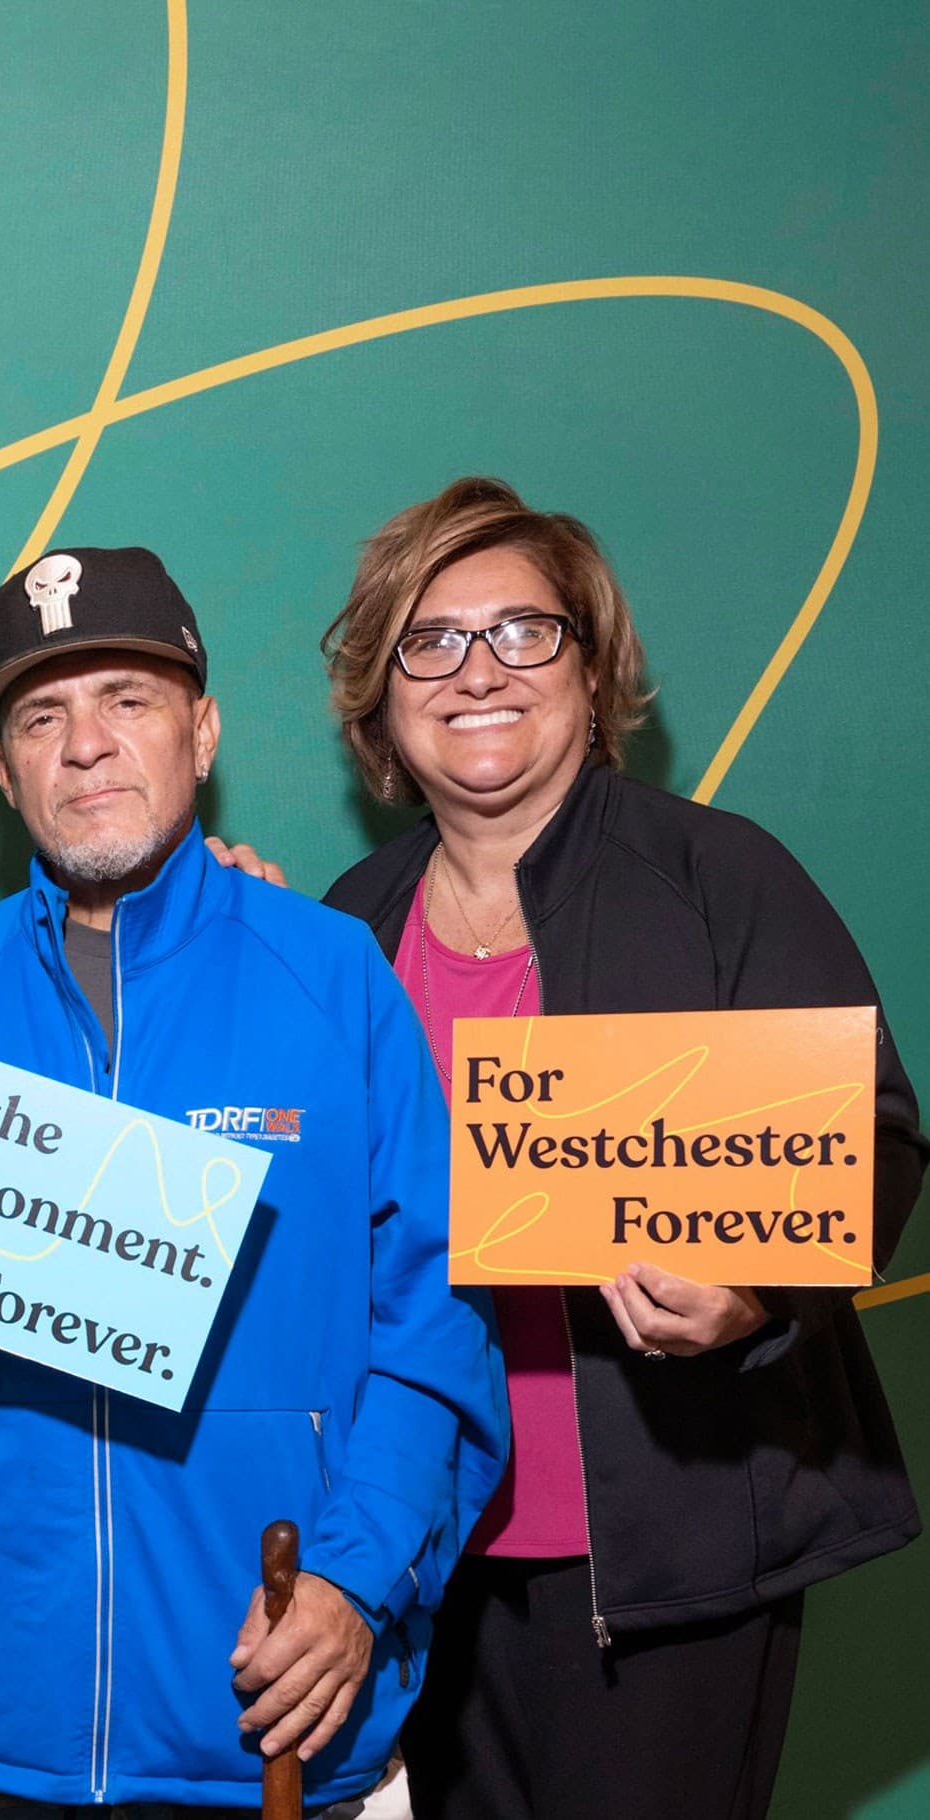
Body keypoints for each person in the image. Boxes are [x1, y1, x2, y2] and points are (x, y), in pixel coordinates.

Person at [0, 547, 506, 1817]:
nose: (87, 744)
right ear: (2, 773)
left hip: (274, 1711)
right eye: (41, 716)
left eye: (129, 698)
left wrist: (355, 1579)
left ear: (202, 732)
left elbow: (438, 1312)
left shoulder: (330, 976)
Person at [320, 477, 923, 1820]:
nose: (478, 671)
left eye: (524, 631)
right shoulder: (346, 925)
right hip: (430, 1549)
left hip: (663, 1553)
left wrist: (754, 1287)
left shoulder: (720, 875)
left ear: (593, 674)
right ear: (382, 692)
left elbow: (869, 1138)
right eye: (430, 639)